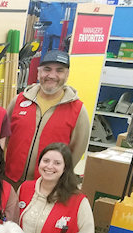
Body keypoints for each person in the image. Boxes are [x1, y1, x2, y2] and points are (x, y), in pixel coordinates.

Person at [5, 50, 90, 185]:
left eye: (59, 70)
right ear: (38, 72)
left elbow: (76, 150)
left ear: (67, 75)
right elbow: (4, 137)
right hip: (11, 181)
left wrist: (59, 179)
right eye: (47, 69)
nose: (52, 75)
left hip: (47, 185)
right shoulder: (19, 101)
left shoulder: (77, 110)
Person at [17, 143, 93, 233]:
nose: (49, 166)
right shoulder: (25, 188)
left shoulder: (78, 201)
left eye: (57, 163)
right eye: (46, 161)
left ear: (65, 168)